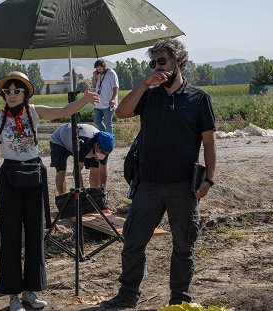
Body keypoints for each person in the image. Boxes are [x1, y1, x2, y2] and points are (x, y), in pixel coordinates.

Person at [100, 39, 216, 309]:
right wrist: (143, 84)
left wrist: (209, 178)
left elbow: (209, 142)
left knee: (183, 245)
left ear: (178, 62)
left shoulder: (199, 99)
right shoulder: (149, 96)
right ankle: (128, 294)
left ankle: (179, 299)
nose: (157, 67)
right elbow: (121, 112)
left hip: (183, 187)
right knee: (132, 241)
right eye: (152, 63)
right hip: (148, 185)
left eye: (162, 61)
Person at [0, 71, 99, 311]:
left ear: (25, 93)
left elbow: (64, 111)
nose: (12, 95)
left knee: (36, 233)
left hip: (34, 175)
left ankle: (31, 291)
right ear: (3, 94)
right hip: (9, 177)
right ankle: (13, 295)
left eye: (17, 90)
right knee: (11, 235)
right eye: (8, 91)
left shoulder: (34, 112)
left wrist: (85, 100)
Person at [50, 123, 114, 194]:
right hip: (60, 140)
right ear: (97, 144)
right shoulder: (85, 144)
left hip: (79, 140)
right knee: (61, 171)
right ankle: (62, 198)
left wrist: (103, 192)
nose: (103, 155)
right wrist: (82, 192)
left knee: (95, 168)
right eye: (102, 153)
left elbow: (102, 171)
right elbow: (76, 171)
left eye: (106, 154)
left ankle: (95, 196)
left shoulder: (105, 147)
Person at [91, 59, 119, 134]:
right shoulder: (99, 74)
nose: (99, 71)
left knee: (108, 124)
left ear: (104, 67)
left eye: (100, 69)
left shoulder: (111, 73)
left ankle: (110, 142)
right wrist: (94, 77)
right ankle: (105, 137)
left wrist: (113, 99)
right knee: (97, 121)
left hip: (108, 104)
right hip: (98, 103)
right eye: (97, 69)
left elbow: (116, 88)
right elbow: (94, 86)